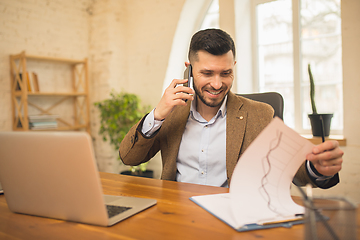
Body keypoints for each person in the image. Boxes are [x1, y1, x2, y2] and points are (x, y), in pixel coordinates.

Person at [119, 28, 343, 188]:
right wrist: (157, 115)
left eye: (225, 73)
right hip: (177, 217)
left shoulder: (260, 114)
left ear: (233, 67)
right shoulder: (171, 113)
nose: (217, 84)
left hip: (233, 221)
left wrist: (317, 168)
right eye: (207, 73)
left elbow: (297, 171)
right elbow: (129, 157)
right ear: (188, 69)